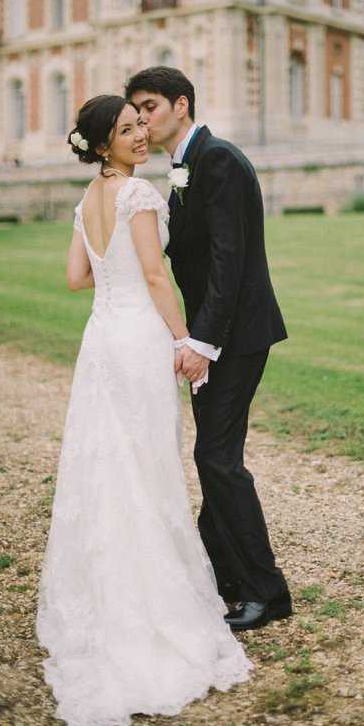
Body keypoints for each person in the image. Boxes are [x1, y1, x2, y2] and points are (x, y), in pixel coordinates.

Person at [35, 95, 253, 726]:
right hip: (138, 340)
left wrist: (113, 280)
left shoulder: (86, 202)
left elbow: (77, 277)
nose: (138, 135)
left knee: (108, 461)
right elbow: (157, 278)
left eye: (139, 124)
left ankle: (103, 593)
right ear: (102, 144)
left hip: (102, 338)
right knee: (147, 462)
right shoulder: (140, 196)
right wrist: (188, 342)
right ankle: (150, 600)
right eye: (125, 130)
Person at [126, 67, 292, 632]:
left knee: (216, 459)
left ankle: (265, 592)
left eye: (149, 106)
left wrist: (202, 341)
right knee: (217, 457)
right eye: (136, 110)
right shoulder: (186, 167)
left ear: (181, 103)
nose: (143, 118)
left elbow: (229, 260)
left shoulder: (217, 160)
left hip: (235, 337)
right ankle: (215, 576)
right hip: (221, 333)